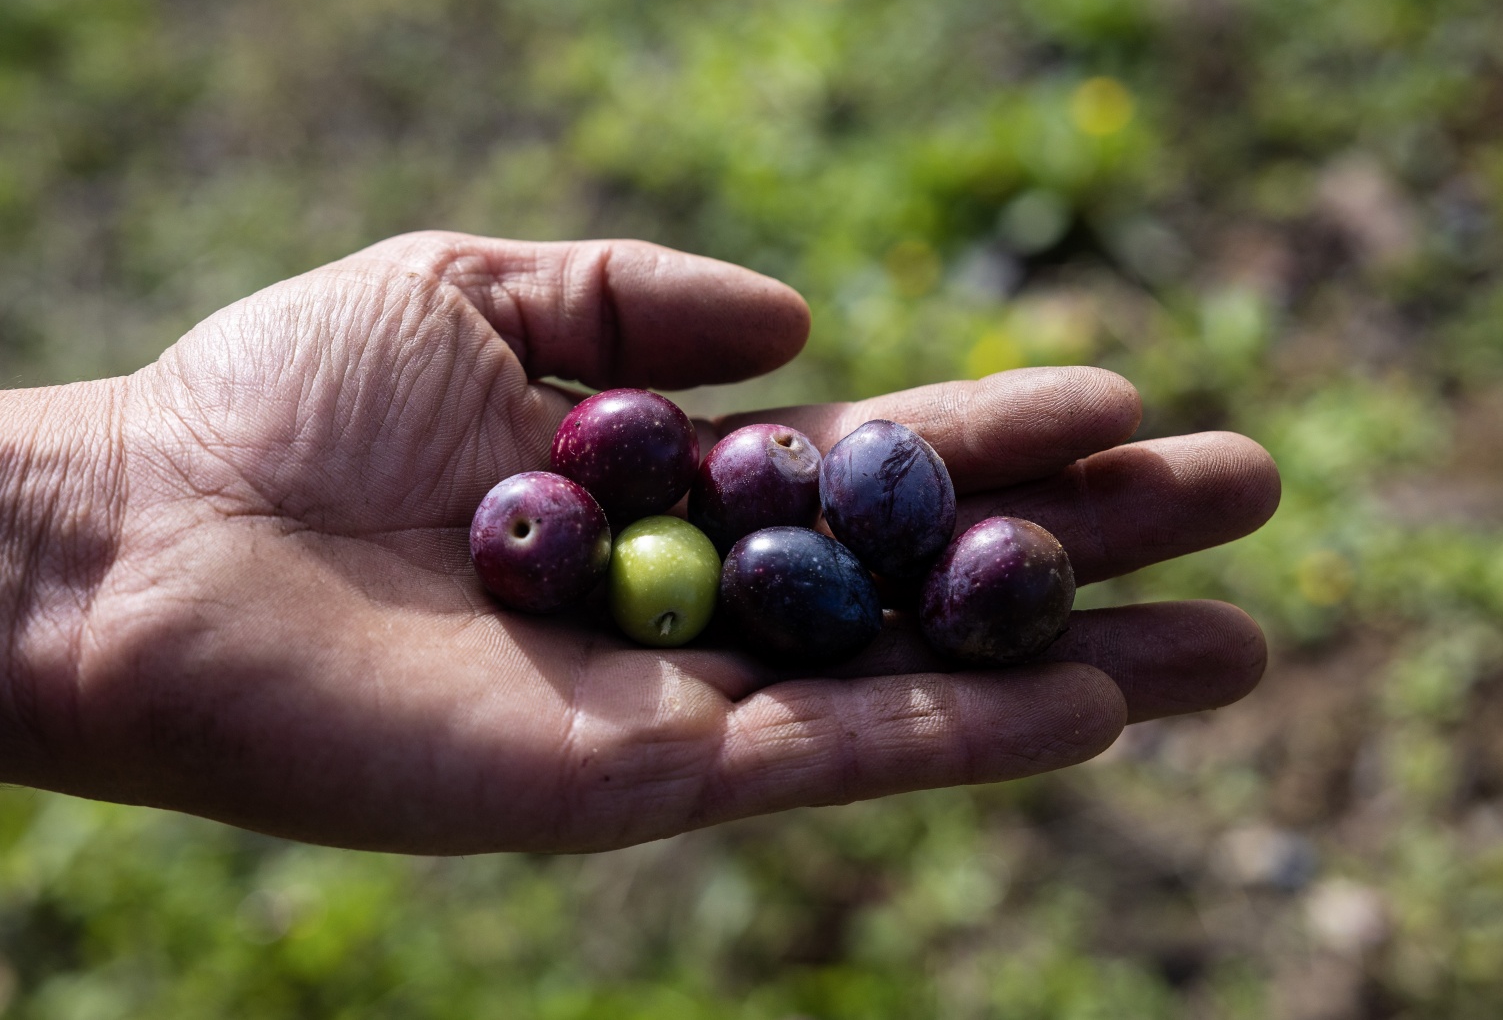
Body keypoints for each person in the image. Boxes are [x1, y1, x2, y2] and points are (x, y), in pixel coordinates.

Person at [0, 232, 1279, 855]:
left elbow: (812, 552)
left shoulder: (771, 526)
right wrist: (119, 501)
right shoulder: (657, 527)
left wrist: (97, 518)